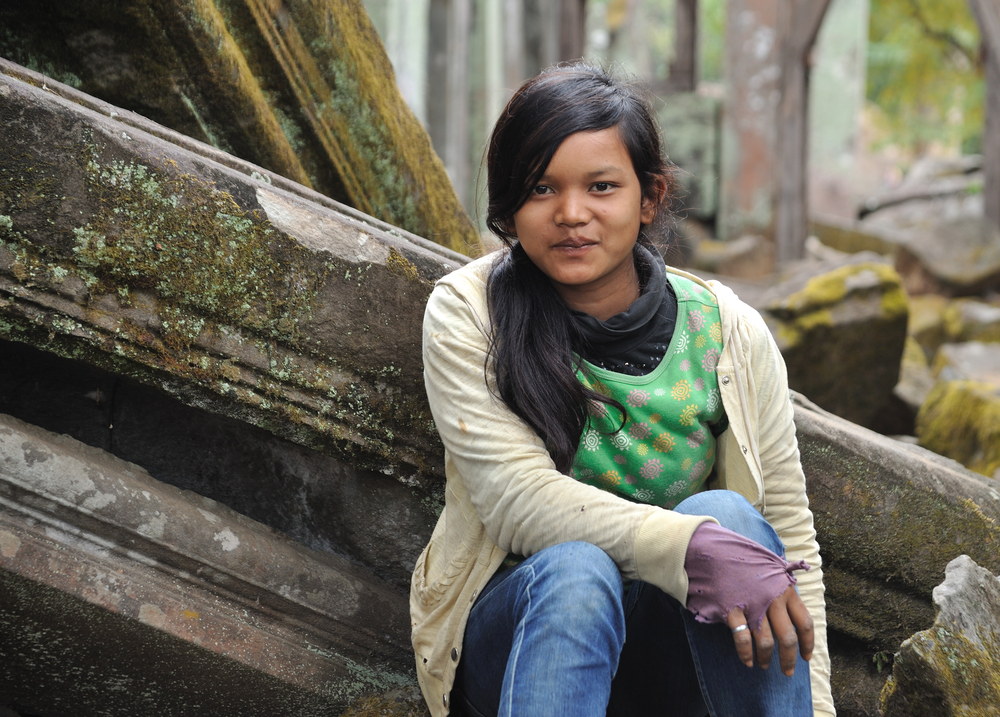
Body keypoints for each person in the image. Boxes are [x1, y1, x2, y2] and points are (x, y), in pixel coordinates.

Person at [410, 62, 834, 717]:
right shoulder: (470, 312)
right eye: (541, 188)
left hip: (675, 655)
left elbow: (791, 537)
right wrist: (684, 545)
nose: (571, 213)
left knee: (738, 522)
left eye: (601, 186)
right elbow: (516, 499)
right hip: (528, 646)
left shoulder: (727, 332)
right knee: (578, 569)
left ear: (650, 197)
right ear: (508, 204)